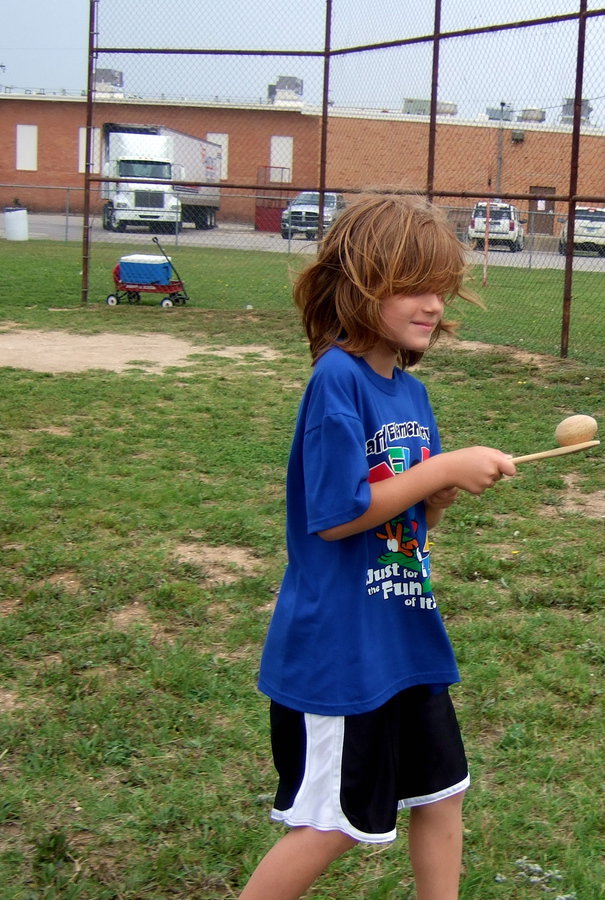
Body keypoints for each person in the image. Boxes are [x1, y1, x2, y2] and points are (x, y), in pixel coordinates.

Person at [240, 195, 516, 900]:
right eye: (413, 287)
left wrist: (436, 499)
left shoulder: (412, 393)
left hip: (403, 637)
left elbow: (401, 520)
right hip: (340, 652)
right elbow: (336, 516)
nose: (433, 304)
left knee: (443, 792)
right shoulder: (338, 379)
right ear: (364, 284)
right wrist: (439, 471)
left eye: (442, 288)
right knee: (330, 826)